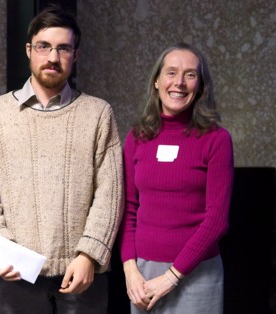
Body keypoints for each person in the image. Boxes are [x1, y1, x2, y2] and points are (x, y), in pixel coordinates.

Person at [0, 5, 123, 314]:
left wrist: (89, 254)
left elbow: (110, 193)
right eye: (44, 47)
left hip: (80, 274)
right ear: (29, 50)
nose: (52, 57)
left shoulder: (98, 113)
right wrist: (1, 249)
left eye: (63, 48)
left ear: (75, 55)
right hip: (15, 272)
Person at [118, 42, 234, 313]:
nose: (179, 82)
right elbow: (128, 209)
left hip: (197, 274)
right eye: (171, 72)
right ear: (157, 81)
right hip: (142, 274)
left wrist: (172, 277)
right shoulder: (137, 137)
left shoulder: (216, 140)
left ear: (201, 86)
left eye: (190, 75)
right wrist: (129, 268)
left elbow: (216, 221)